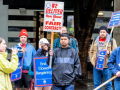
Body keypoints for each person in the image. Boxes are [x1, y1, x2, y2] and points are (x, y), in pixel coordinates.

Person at [89, 26, 117, 90]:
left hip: (106, 66)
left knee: (108, 85)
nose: (102, 33)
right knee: (96, 84)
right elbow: (91, 51)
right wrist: (92, 61)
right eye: (101, 32)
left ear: (107, 32)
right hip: (96, 66)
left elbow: (116, 52)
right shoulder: (95, 40)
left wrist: (109, 52)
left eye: (104, 32)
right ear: (99, 33)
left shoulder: (111, 40)